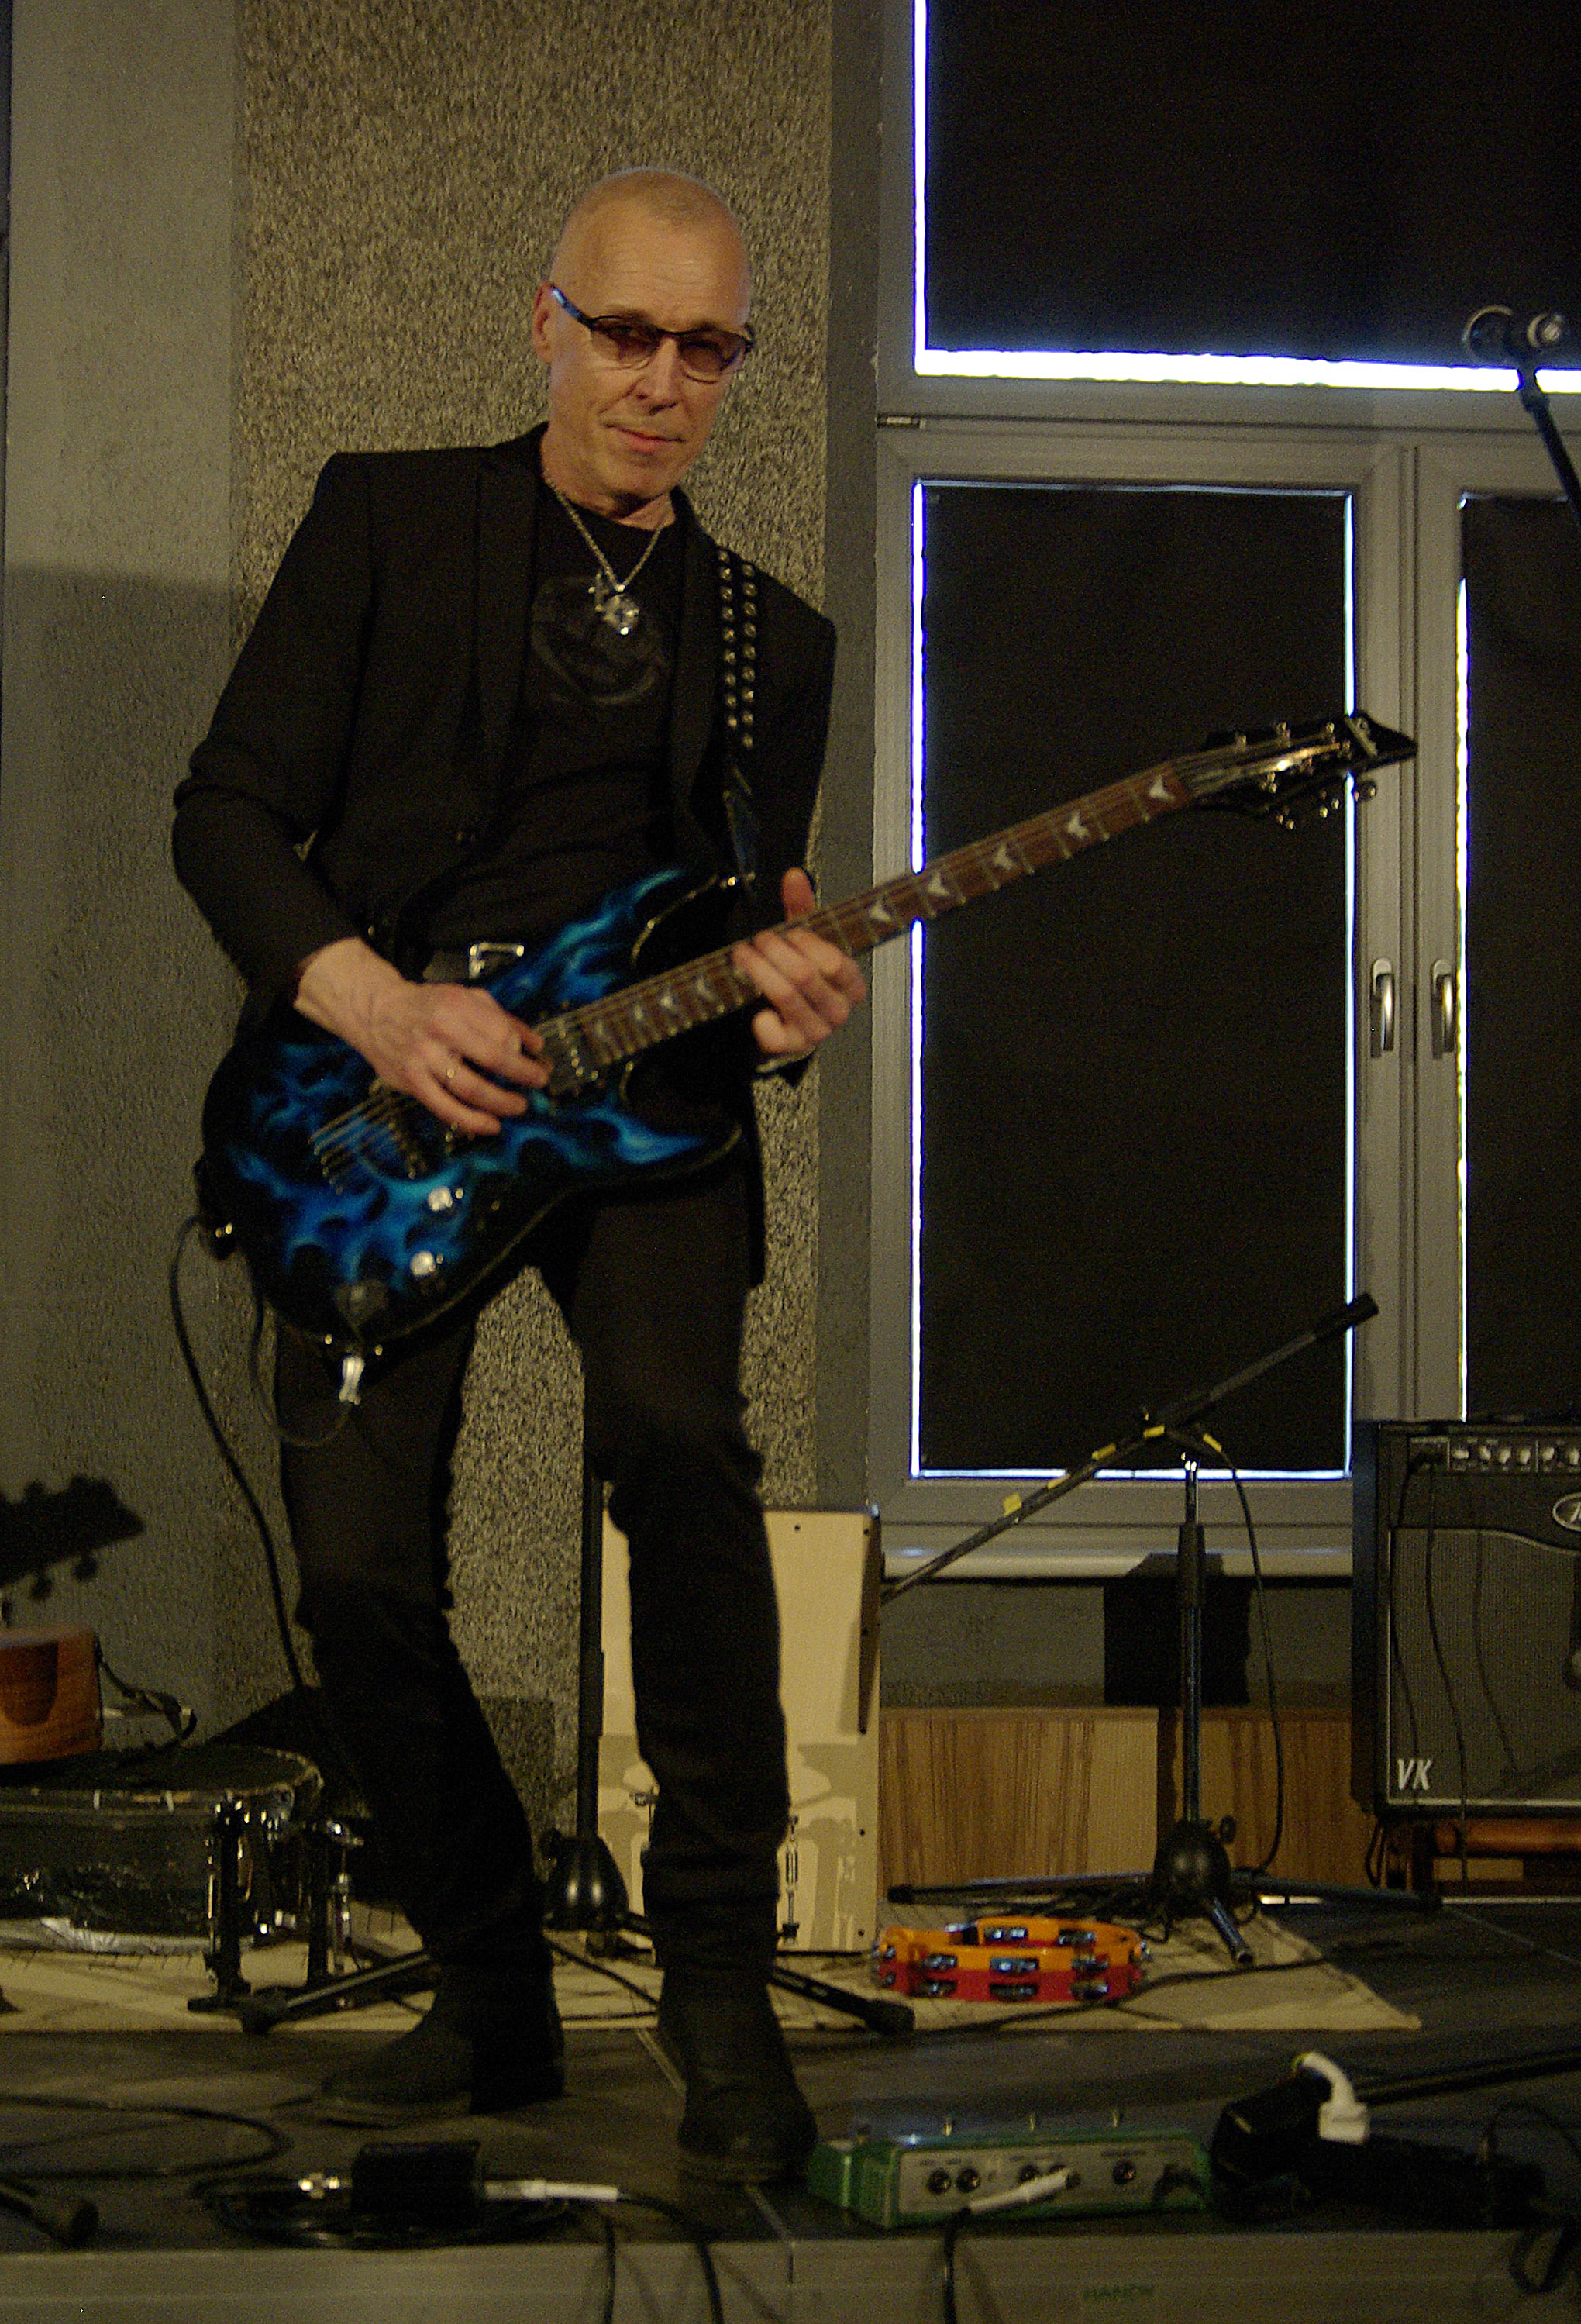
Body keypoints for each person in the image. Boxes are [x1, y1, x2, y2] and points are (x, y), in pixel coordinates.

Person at [173, 169, 865, 2181]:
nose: (662, 381)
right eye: (627, 333)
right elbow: (228, 813)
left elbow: (743, 922)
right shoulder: (390, 520)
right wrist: (375, 1006)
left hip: (638, 1112)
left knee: (679, 1443)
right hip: (373, 1099)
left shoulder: (773, 637)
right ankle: (490, 1988)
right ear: (548, 323)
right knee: (358, 1571)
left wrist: (786, 1011)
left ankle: (718, 1985)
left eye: (706, 348)